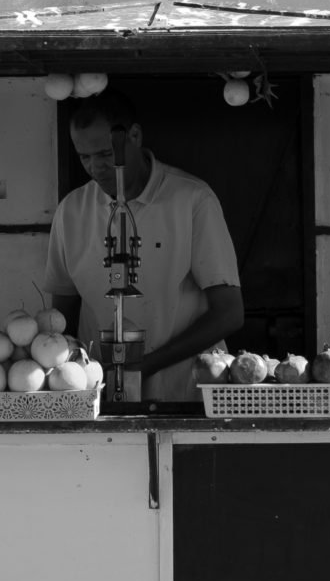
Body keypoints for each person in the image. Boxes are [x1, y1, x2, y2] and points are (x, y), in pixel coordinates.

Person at [43, 91, 246, 409]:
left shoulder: (192, 200)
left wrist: (146, 365)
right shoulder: (70, 211)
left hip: (183, 399)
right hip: (100, 401)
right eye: (84, 157)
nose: (96, 168)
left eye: (106, 154)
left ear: (134, 135)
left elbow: (229, 313)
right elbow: (61, 317)